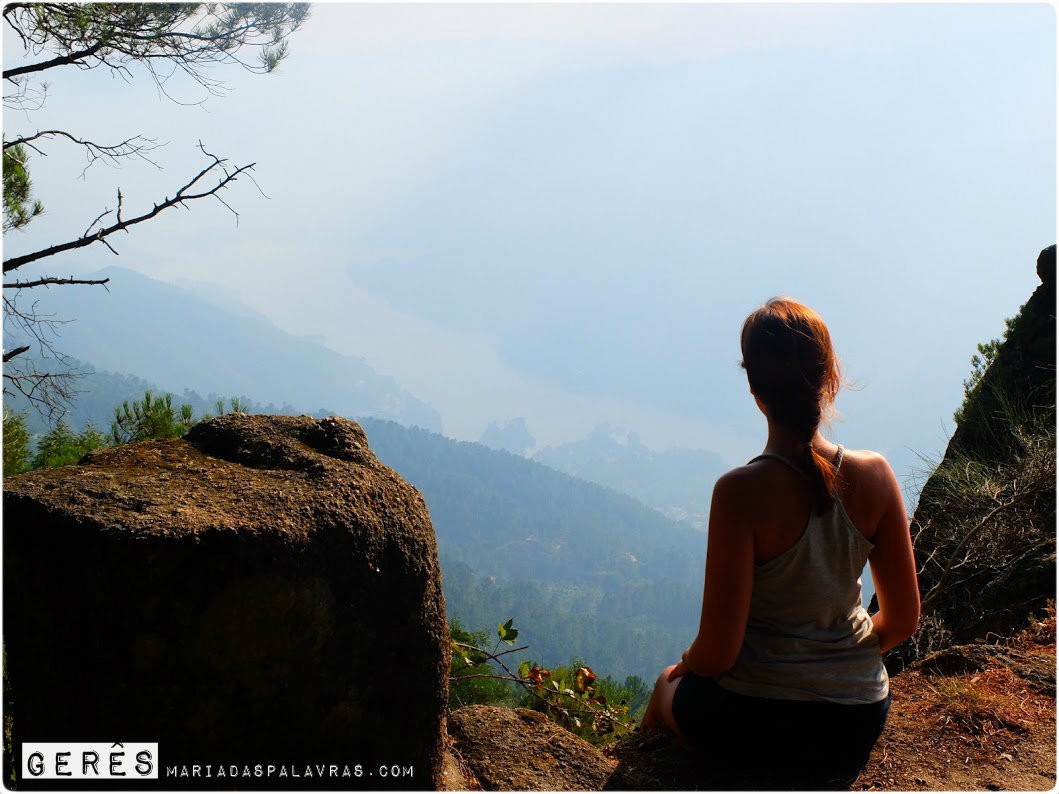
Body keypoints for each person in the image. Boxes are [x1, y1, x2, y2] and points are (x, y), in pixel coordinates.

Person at [640, 297, 920, 790]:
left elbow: (718, 654)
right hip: (856, 719)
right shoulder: (876, 476)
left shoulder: (739, 493)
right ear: (828, 376)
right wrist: (841, 661)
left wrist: (686, 664)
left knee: (666, 685)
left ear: (754, 387)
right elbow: (902, 620)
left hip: (755, 719)